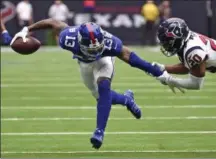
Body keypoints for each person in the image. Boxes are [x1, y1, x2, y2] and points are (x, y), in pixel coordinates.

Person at [9, 18, 170, 149]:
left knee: (104, 87)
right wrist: (27, 29)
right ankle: (126, 99)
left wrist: (156, 71)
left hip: (104, 60)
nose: (94, 50)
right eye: (90, 48)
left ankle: (99, 132)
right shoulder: (68, 37)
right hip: (84, 64)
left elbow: (131, 58)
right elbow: (53, 22)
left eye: (96, 47)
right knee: (101, 98)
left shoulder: (110, 43)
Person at [153, 18, 216, 126]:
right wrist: (164, 68)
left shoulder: (193, 49)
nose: (165, 45)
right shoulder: (186, 42)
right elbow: (190, 66)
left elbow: (196, 84)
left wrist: (170, 80)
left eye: (167, 42)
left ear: (178, 37)